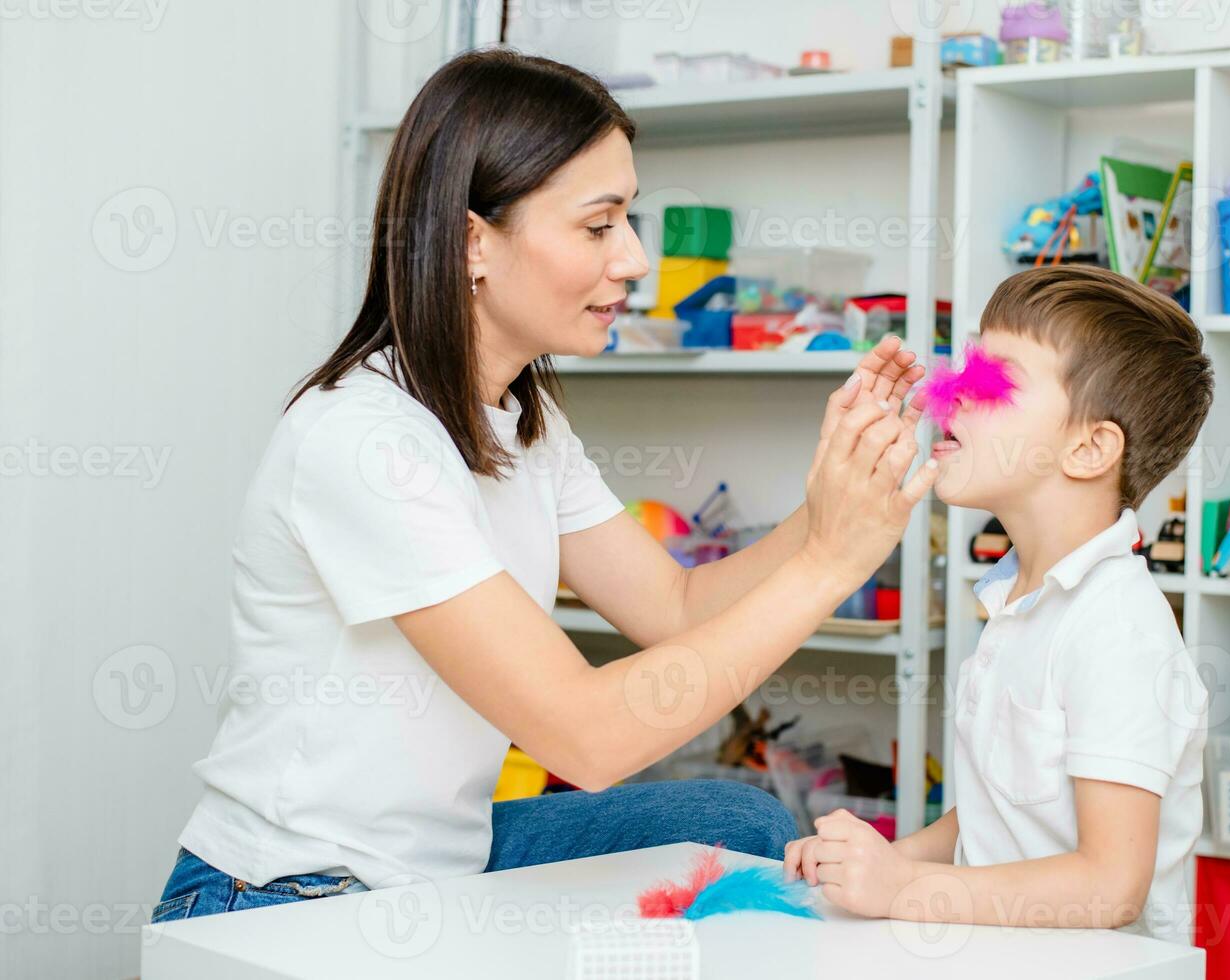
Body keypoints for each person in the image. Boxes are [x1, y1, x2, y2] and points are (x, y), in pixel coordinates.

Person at [151, 48, 938, 922]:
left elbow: (676, 608)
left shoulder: (524, 423)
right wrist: (829, 565)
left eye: (628, 221)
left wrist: (829, 509)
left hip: (445, 859)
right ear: (469, 241)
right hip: (290, 890)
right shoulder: (365, 439)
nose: (634, 260)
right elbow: (589, 737)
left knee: (732, 818)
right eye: (599, 227)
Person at [785, 265, 1214, 945]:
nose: (949, 394)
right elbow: (991, 814)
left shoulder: (1117, 630)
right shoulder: (1019, 601)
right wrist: (886, 862)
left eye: (995, 381)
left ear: (1090, 448)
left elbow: (1110, 885)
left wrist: (905, 889)